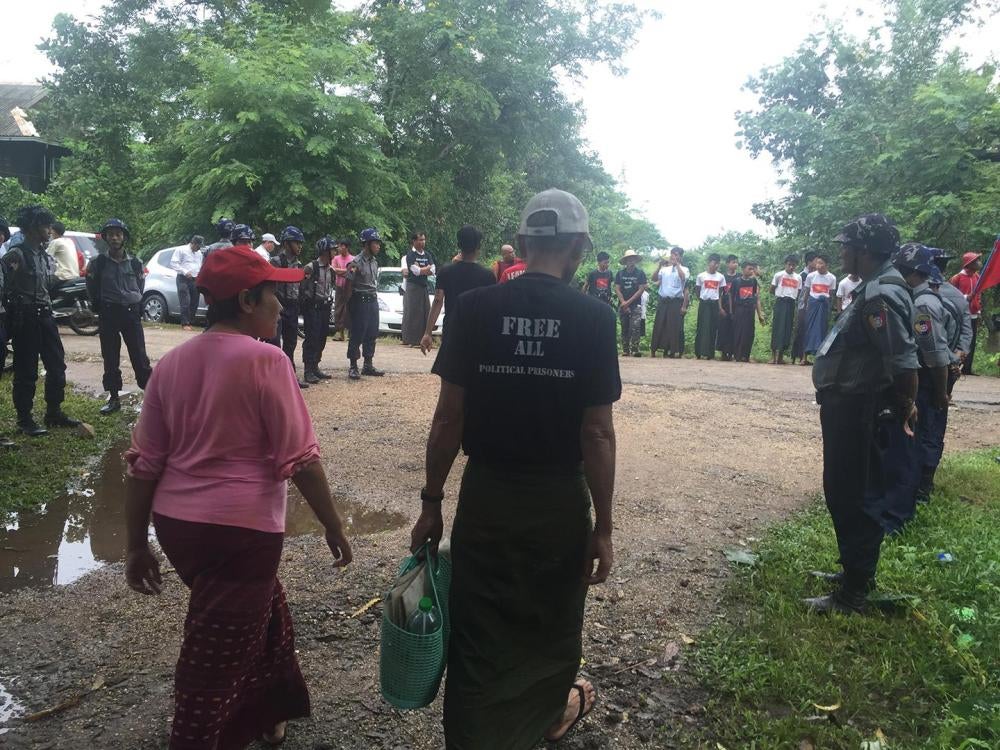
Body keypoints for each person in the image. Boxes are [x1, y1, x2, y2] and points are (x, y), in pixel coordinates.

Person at [410, 188, 619, 749]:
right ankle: (540, 718)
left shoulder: (477, 308)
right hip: (557, 502)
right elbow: (596, 432)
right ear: (578, 248)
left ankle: (474, 735)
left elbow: (448, 418)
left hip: (488, 498)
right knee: (550, 618)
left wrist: (432, 503)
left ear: (523, 243)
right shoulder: (595, 318)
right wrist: (602, 526)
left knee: (480, 621)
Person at [123, 244, 352, 749]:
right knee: (211, 662)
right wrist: (334, 526)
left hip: (179, 529)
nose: (281, 306)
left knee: (262, 611)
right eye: (273, 294)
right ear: (247, 300)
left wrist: (137, 543)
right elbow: (303, 463)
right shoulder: (268, 362)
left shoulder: (171, 364)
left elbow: (145, 466)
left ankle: (270, 712)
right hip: (241, 534)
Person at [806, 214, 918, 614]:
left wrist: (905, 405)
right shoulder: (873, 287)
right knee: (843, 490)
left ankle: (853, 592)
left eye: (846, 245)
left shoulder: (880, 296)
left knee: (855, 493)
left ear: (865, 251)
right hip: (849, 405)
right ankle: (852, 572)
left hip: (861, 407)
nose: (841, 251)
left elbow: (903, 361)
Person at [1, 206, 81, 436]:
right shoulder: (16, 255)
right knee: (26, 369)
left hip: (45, 316)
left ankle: (53, 412)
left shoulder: (45, 256)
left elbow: (48, 285)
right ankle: (24, 419)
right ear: (33, 228)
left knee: (57, 364)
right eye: (45, 226)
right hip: (24, 318)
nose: (49, 230)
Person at [86, 219, 153, 415]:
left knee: (139, 356)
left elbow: (139, 287)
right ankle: (114, 397)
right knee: (110, 356)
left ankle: (151, 398)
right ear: (105, 238)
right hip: (108, 313)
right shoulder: (98, 263)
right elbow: (91, 287)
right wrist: (99, 306)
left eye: (118, 234)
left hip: (131, 313)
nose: (115, 237)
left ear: (124, 237)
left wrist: (135, 304)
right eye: (111, 234)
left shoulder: (135, 262)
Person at [421, 224, 495, 355]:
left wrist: (428, 333)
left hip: (452, 327)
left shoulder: (446, 271)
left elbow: (438, 300)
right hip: (477, 330)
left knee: (449, 370)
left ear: (459, 245)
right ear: (478, 247)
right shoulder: (487, 275)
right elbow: (491, 308)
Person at [269, 226, 309, 388]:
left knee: (291, 343)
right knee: (273, 342)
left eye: (300, 243)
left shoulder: (299, 264)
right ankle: (272, 378)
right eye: (296, 242)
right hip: (278, 306)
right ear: (286, 243)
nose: (299, 246)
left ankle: (289, 376)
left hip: (293, 307)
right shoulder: (276, 262)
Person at [929, 248, 973, 398]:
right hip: (950, 361)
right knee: (941, 404)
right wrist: (960, 353)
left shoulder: (915, 293)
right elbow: (966, 329)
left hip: (925, 365)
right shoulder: (958, 296)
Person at [345, 228, 385, 380]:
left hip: (372, 300)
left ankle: (368, 364)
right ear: (367, 244)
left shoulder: (375, 262)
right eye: (376, 243)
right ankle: (353, 365)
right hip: (360, 301)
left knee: (372, 332)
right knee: (357, 333)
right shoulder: (356, 262)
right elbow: (348, 284)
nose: (378, 246)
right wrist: (349, 306)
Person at [301, 236, 336, 384]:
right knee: (312, 338)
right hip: (312, 307)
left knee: (322, 338)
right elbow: (301, 287)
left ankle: (315, 366)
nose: (335, 252)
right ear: (325, 251)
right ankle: (308, 370)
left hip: (325, 307)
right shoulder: (311, 267)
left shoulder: (331, 270)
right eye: (332, 249)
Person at [649, 247, 689, 358]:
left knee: (674, 327)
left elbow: (683, 278)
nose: (673, 257)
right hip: (663, 300)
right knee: (660, 324)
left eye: (676, 255)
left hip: (676, 301)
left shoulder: (684, 269)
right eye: (672, 254)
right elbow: (654, 279)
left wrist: (677, 265)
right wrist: (659, 266)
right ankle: (654, 349)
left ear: (680, 257)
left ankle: (673, 351)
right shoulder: (664, 269)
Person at [950, 252, 982, 375]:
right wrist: (965, 297)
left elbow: (978, 296)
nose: (978, 263)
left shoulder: (977, 277)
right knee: (961, 340)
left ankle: (968, 368)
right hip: (961, 315)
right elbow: (951, 295)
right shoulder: (957, 277)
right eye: (976, 261)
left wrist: (978, 311)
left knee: (972, 341)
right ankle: (956, 364)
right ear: (969, 264)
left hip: (973, 314)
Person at [402, 231, 435, 346]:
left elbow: (433, 270)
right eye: (420, 240)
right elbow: (415, 271)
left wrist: (423, 269)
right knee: (413, 313)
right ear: (414, 241)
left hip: (424, 287)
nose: (422, 242)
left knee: (426, 311)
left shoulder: (427, 255)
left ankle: (424, 339)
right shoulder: (410, 255)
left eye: (424, 240)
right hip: (413, 287)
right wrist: (425, 269)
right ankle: (411, 340)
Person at [802, 255, 836, 365]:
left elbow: (831, 295)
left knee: (822, 330)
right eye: (817, 263)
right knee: (808, 329)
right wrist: (806, 305)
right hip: (812, 304)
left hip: (823, 306)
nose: (818, 265)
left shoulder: (832, 278)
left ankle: (819, 359)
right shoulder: (811, 276)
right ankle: (804, 357)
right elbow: (807, 292)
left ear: (827, 265)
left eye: (821, 263)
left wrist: (829, 307)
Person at [614, 249, 647, 357]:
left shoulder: (640, 273)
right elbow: (617, 288)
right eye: (629, 259)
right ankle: (625, 350)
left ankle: (635, 349)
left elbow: (641, 289)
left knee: (636, 327)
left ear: (635, 260)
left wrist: (628, 302)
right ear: (626, 261)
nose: (631, 261)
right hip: (623, 305)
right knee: (624, 327)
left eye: (633, 259)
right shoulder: (620, 273)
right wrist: (623, 302)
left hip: (635, 304)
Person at [730, 260, 765, 362]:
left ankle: (746, 355)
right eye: (749, 269)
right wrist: (732, 312)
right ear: (743, 269)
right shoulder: (736, 281)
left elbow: (755, 296)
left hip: (750, 309)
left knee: (749, 332)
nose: (751, 271)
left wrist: (759, 314)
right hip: (739, 309)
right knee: (738, 332)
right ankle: (737, 355)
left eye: (752, 269)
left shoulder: (753, 281)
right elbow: (731, 297)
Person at [694, 253, 726, 359]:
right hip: (704, 304)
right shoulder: (701, 276)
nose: (716, 265)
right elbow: (697, 291)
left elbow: (720, 293)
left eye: (718, 263)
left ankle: (710, 353)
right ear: (709, 262)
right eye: (714, 263)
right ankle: (698, 352)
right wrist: (702, 300)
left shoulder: (721, 277)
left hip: (714, 304)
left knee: (713, 328)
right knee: (701, 327)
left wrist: (720, 307)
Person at [770, 254, 801, 364]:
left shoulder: (798, 277)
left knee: (787, 329)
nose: (791, 267)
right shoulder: (779, 275)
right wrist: (780, 295)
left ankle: (781, 357)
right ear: (785, 264)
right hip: (780, 302)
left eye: (793, 265)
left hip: (791, 303)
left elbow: (799, 291)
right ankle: (773, 356)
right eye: (789, 265)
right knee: (777, 327)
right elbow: (772, 289)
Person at [170, 234, 204, 330]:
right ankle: (185, 323)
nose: (199, 248)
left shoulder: (199, 253)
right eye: (198, 246)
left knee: (195, 301)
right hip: (183, 278)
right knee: (185, 301)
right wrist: (184, 272)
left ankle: (190, 321)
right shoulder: (181, 250)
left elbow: (199, 265)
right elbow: (173, 263)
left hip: (195, 279)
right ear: (193, 243)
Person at [791, 250, 818, 363]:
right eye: (816, 261)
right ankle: (796, 356)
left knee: (808, 330)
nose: (818, 264)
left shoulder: (816, 276)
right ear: (809, 262)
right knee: (801, 330)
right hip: (803, 307)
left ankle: (804, 356)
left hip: (812, 307)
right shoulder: (802, 276)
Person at [716, 254, 739, 360]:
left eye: (736, 262)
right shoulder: (722, 277)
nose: (736, 264)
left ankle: (732, 352)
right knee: (723, 329)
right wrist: (720, 308)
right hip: (724, 306)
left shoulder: (739, 277)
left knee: (734, 329)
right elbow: (719, 293)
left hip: (736, 307)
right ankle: (724, 353)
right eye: (733, 262)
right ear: (727, 264)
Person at [331, 238, 354, 341]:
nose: (339, 248)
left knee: (349, 309)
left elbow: (353, 271)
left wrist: (342, 272)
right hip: (339, 286)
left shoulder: (353, 259)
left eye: (342, 246)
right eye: (339, 246)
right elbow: (333, 270)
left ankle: (350, 332)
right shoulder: (336, 258)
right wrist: (347, 271)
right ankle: (339, 332)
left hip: (350, 287)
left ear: (347, 247)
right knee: (338, 308)